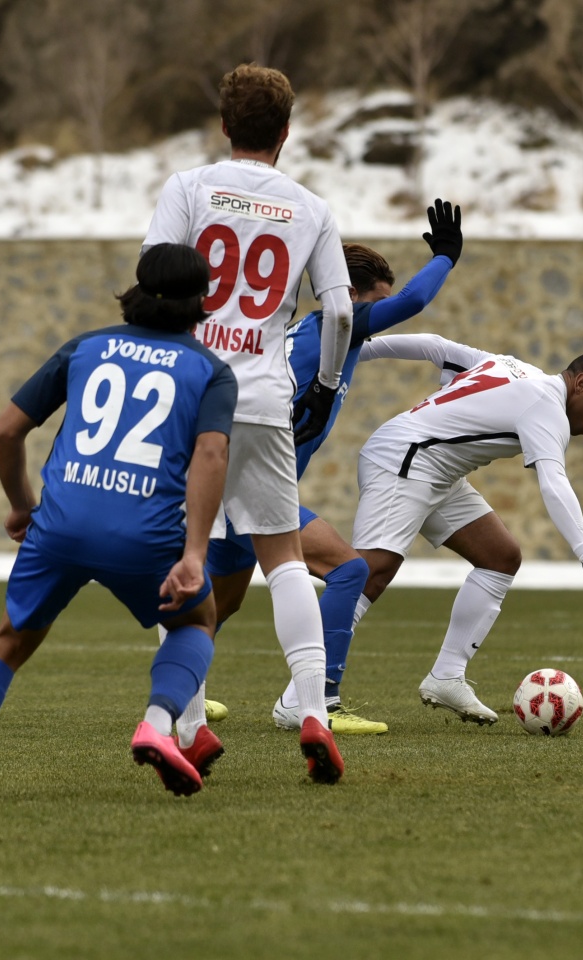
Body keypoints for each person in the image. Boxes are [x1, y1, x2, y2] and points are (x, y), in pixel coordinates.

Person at [0, 244, 252, 799]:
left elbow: (5, 431)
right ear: (200, 301)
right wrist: (194, 554)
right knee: (195, 622)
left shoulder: (86, 347)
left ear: (136, 289)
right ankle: (158, 727)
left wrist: (20, 504)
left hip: (60, 525)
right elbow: (211, 457)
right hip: (144, 533)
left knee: (10, 640)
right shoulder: (211, 372)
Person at [172, 205, 463, 755]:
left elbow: (398, 332)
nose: (380, 315)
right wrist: (446, 257)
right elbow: (414, 303)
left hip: (240, 474)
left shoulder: (314, 332)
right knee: (350, 570)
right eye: (375, 302)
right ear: (351, 297)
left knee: (220, 604)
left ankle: (180, 688)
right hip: (250, 480)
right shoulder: (337, 322)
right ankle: (317, 701)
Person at [141, 63, 352, 774]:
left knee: (185, 556)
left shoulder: (190, 187)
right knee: (284, 558)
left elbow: (153, 274)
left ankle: (191, 726)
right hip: (264, 392)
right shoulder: (312, 207)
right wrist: (324, 383)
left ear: (224, 126)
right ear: (286, 133)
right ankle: (317, 713)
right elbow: (342, 309)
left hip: (194, 389)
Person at [350, 334, 583, 723]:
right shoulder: (546, 406)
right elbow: (554, 482)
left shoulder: (516, 367)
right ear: (580, 384)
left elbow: (436, 347)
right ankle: (306, 696)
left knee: (500, 557)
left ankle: (446, 676)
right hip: (404, 459)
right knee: (371, 572)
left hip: (434, 470)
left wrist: (356, 348)